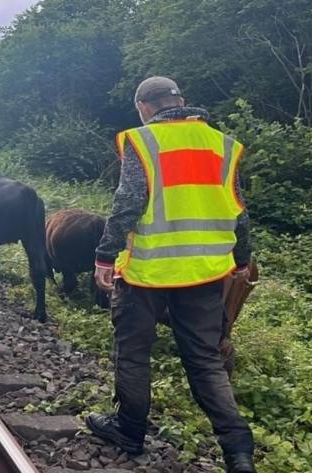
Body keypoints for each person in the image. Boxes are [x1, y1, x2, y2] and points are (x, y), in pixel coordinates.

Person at [88, 77, 256, 473]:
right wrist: (243, 257)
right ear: (180, 101)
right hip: (205, 273)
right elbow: (239, 209)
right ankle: (238, 452)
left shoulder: (143, 141)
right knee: (205, 360)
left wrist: (104, 256)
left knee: (133, 352)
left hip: (148, 271)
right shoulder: (222, 144)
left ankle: (129, 430)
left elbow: (128, 201)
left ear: (145, 107)